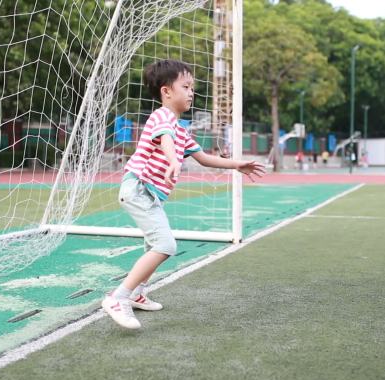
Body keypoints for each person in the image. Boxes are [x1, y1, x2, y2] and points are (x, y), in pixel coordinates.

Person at [102, 59, 265, 329]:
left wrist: (237, 165)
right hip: (139, 189)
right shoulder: (162, 116)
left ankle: (137, 294)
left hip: (149, 194)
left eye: (193, 88)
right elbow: (165, 140)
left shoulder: (181, 128)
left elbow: (203, 158)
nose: (192, 92)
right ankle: (117, 298)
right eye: (186, 86)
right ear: (167, 91)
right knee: (165, 246)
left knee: (152, 246)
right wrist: (173, 160)